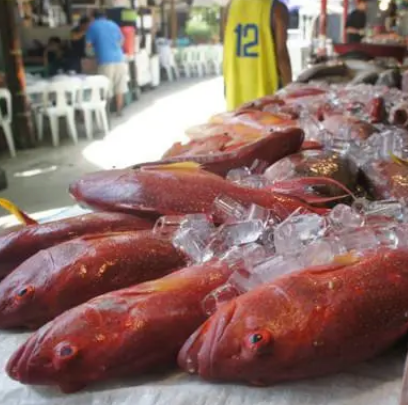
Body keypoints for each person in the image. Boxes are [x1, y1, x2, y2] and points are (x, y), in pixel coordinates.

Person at [223, 0, 292, 111]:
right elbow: (281, 55)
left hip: (235, 91)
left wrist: (226, 86)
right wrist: (291, 90)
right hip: (266, 95)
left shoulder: (229, 8)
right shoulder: (277, 9)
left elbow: (227, 46)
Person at [86, 10, 128, 116]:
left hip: (105, 60)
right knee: (119, 86)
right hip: (119, 58)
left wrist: (94, 53)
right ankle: (119, 110)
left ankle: (106, 113)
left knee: (105, 87)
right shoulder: (113, 24)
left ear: (93, 17)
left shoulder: (93, 26)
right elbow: (122, 40)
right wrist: (114, 48)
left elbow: (88, 47)